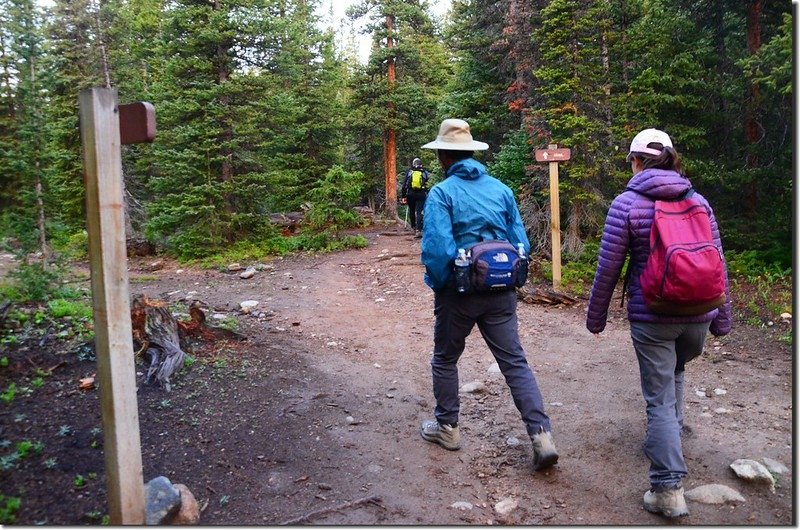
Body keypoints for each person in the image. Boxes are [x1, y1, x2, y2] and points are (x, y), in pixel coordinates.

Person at [586, 128, 732, 518]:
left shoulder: (626, 204)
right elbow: (719, 262)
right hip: (700, 314)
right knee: (676, 372)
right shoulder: (698, 200)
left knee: (658, 398)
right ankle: (671, 436)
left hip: (653, 317)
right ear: (671, 158)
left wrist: (595, 318)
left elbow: (608, 269)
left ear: (636, 161)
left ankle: (667, 487)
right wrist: (723, 319)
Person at [417, 118, 558, 471]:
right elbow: (521, 243)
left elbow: (437, 251)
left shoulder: (442, 193)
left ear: (443, 157)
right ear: (472, 153)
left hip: (459, 293)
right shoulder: (501, 189)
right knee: (514, 362)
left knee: (446, 358)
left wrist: (441, 285)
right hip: (501, 291)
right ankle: (542, 436)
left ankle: (448, 428)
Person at [400, 157, 430, 238]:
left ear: (413, 164)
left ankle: (413, 227)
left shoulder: (410, 172)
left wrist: (403, 196)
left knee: (412, 210)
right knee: (419, 211)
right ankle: (419, 230)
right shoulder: (425, 172)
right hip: (421, 194)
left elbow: (404, 185)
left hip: (410, 194)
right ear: (421, 164)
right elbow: (428, 184)